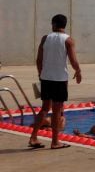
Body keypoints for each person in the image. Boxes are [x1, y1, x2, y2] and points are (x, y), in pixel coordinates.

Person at [28, 14, 82, 150]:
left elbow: (39, 60)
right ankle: (55, 142)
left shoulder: (45, 38)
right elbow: (73, 60)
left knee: (45, 108)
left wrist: (40, 74)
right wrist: (78, 71)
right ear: (65, 25)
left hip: (46, 78)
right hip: (59, 79)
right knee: (57, 110)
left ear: (53, 24)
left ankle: (33, 137)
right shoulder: (68, 40)